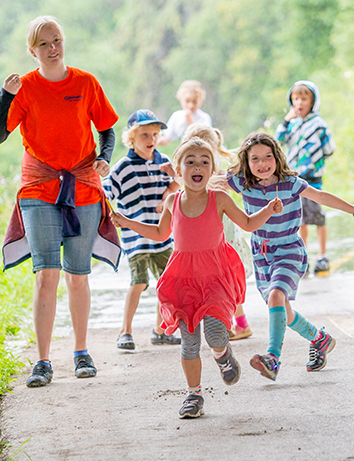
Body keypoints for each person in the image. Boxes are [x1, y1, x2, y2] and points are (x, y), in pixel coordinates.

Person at [0, 15, 120, 388]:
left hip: (82, 183)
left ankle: (81, 352)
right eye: (44, 43)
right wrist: (5, 96)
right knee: (47, 274)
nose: (53, 48)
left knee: (78, 275)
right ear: (33, 51)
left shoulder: (85, 82)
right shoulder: (24, 88)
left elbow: (106, 128)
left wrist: (105, 157)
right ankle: (42, 361)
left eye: (57, 40)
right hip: (39, 187)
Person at [111, 137, 283, 418]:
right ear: (178, 170)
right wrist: (127, 222)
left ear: (212, 169)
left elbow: (249, 223)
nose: (197, 166)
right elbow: (159, 234)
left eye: (204, 161)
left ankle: (222, 355)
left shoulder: (220, 199)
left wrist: (268, 210)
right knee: (189, 343)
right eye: (190, 162)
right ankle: (194, 395)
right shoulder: (172, 201)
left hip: (215, 275)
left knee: (216, 334)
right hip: (183, 279)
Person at [226, 132, 354, 381]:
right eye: (255, 159)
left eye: (268, 157)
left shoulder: (290, 183)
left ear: (277, 157)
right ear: (246, 161)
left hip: (289, 250)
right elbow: (210, 182)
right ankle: (320, 339)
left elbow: (322, 196)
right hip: (262, 254)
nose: (262, 163)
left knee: (276, 296)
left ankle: (272, 359)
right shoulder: (241, 182)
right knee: (282, 309)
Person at [103, 109, 182, 350]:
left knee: (167, 285)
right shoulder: (124, 166)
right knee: (138, 282)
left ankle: (161, 330)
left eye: (155, 134)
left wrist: (171, 184)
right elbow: (106, 192)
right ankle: (124, 331)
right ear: (132, 138)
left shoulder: (163, 162)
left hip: (163, 236)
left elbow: (179, 185)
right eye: (145, 134)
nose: (151, 139)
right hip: (136, 237)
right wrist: (110, 213)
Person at [181, 123, 253, 340]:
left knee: (225, 284)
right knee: (222, 284)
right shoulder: (201, 175)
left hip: (224, 239)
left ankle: (233, 324)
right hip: (211, 240)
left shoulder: (218, 175)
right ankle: (238, 324)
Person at [275, 80, 336, 277]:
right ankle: (304, 256)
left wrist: (315, 161)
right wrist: (286, 120)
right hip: (295, 178)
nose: (300, 103)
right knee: (300, 219)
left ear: (313, 101)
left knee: (317, 216)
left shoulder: (318, 125)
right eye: (296, 98)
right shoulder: (291, 124)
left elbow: (329, 148)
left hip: (313, 178)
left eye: (304, 98)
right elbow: (278, 141)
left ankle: (322, 255)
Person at [156, 80, 212, 146]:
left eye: (194, 102)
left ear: (201, 101)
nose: (191, 106)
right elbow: (167, 138)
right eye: (187, 101)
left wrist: (189, 119)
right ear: (180, 100)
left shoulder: (204, 118)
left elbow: (200, 141)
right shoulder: (177, 116)